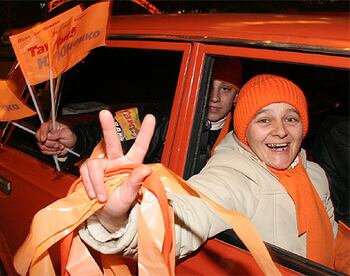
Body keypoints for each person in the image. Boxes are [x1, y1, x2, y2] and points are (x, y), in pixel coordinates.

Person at [77, 74, 338, 268]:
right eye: (264, 120)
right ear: (244, 131)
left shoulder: (313, 173)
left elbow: (331, 237)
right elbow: (185, 217)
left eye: (291, 118)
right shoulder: (235, 175)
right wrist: (117, 219)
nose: (281, 130)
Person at [36, 58, 242, 168]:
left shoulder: (245, 132)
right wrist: (75, 138)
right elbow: (113, 131)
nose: (214, 98)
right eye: (208, 88)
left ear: (236, 95)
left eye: (225, 89)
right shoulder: (164, 117)